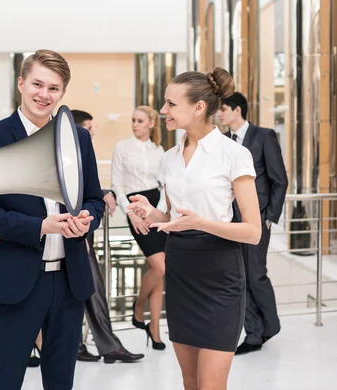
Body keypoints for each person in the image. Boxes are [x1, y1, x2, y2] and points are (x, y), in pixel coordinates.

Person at [0, 50, 105, 390]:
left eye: (54, 88)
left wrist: (89, 218)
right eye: (37, 84)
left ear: (63, 93)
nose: (44, 94)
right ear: (21, 83)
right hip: (18, 280)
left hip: (70, 280)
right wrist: (40, 227)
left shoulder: (79, 138)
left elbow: (94, 198)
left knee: (61, 380)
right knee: (7, 378)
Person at [128, 68, 262, 390]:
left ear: (198, 107)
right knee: (190, 381)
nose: (163, 111)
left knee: (210, 385)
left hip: (219, 274)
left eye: (171, 104)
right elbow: (174, 216)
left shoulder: (233, 154)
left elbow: (253, 231)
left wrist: (201, 223)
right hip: (180, 269)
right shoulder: (170, 158)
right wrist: (154, 214)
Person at [71, 109, 144, 364]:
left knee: (90, 291)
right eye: (89, 128)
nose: (93, 132)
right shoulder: (71, 158)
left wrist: (105, 192)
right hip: (71, 236)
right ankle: (95, 346)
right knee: (89, 290)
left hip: (80, 235)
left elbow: (86, 190)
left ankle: (95, 346)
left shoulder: (81, 156)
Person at [217, 92, 287, 355]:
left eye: (223, 109)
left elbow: (279, 179)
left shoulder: (264, 136)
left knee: (256, 275)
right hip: (230, 222)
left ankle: (270, 326)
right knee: (240, 277)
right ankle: (254, 333)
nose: (220, 114)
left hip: (257, 220)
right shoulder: (223, 141)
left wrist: (270, 217)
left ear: (237, 111)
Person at [110, 105, 168, 351]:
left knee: (159, 271)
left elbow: (165, 185)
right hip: (135, 208)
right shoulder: (122, 148)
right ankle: (138, 305)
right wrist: (131, 214)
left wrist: (159, 213)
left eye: (140, 120)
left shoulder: (160, 150)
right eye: (133, 120)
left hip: (157, 208)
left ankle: (154, 330)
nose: (135, 124)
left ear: (151, 124)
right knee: (160, 266)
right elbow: (116, 184)